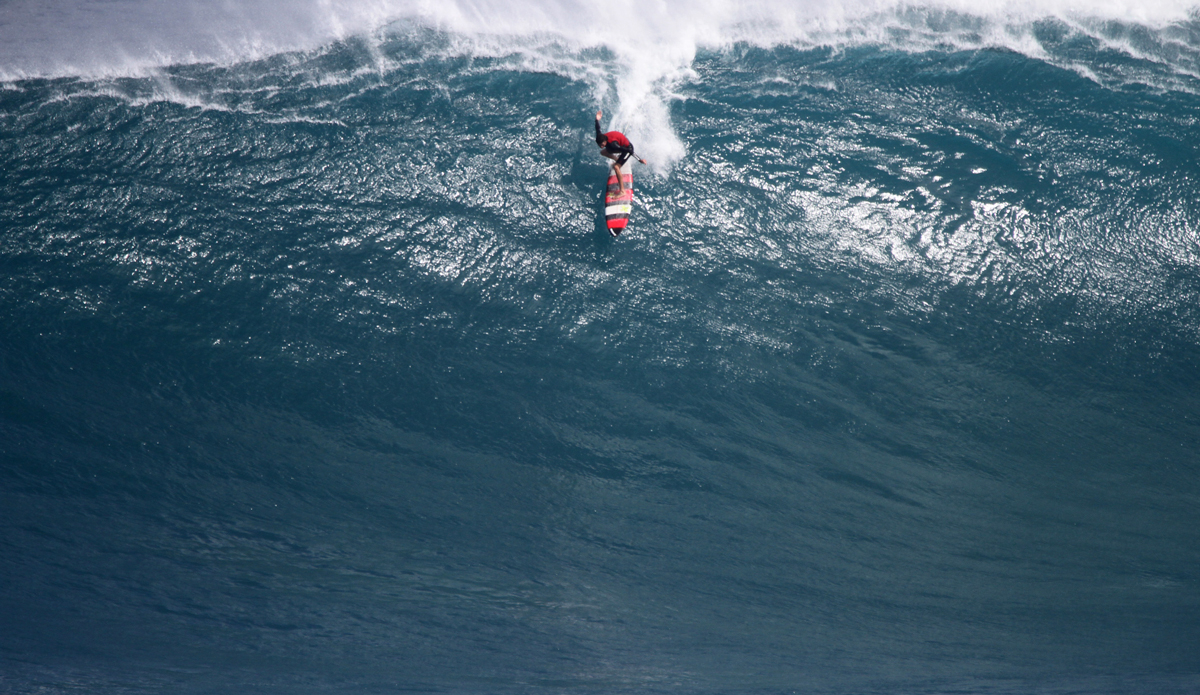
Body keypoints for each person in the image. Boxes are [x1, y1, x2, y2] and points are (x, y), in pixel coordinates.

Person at [595, 110, 647, 195]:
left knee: (616, 167)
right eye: (599, 144)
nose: (601, 146)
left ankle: (622, 191)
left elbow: (630, 151)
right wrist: (597, 119)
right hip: (619, 145)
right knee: (603, 152)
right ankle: (618, 159)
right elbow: (597, 128)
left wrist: (639, 160)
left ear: (605, 141)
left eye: (602, 144)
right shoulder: (600, 137)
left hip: (627, 149)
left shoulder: (613, 144)